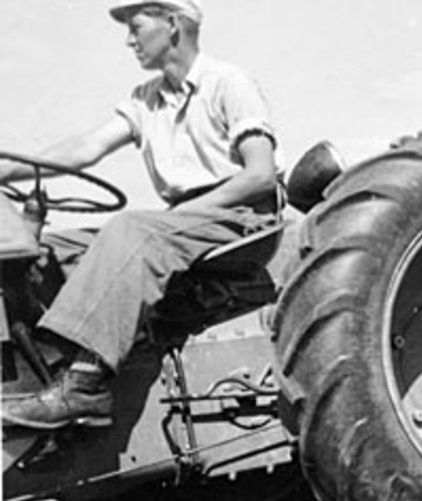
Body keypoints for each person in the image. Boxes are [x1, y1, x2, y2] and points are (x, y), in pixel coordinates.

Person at [1, 0, 280, 430]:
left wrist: (186, 212)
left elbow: (260, 175)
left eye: (136, 27)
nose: (129, 40)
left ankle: (86, 383)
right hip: (183, 222)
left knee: (131, 228)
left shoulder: (228, 82)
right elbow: (84, 150)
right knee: (46, 249)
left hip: (240, 218)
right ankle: (53, 363)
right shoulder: (144, 100)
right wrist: (7, 167)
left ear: (172, 24)